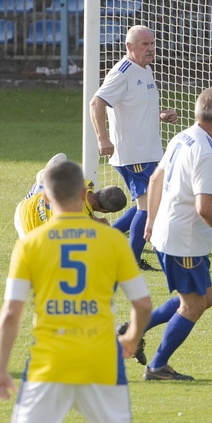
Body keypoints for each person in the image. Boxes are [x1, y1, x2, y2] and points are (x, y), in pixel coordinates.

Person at [0, 160, 152, 422]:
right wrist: (132, 337)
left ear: (46, 196)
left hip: (50, 360)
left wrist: (2, 365)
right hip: (101, 359)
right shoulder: (113, 240)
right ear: (84, 193)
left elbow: (12, 314)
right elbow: (143, 304)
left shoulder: (29, 245)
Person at [143, 86, 212, 381]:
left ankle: (135, 330)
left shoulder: (183, 136)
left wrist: (151, 222)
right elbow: (205, 208)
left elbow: (154, 179)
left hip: (171, 232)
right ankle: (157, 367)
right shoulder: (208, 153)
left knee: (206, 298)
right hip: (183, 242)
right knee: (194, 305)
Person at [90, 24, 179, 271]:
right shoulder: (123, 72)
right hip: (133, 153)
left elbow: (135, 106)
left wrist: (161, 115)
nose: (151, 49)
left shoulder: (145, 69)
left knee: (149, 201)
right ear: (129, 47)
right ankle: (131, 260)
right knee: (148, 204)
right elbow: (96, 102)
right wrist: (102, 139)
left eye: (152, 44)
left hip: (147, 151)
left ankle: (103, 240)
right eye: (144, 45)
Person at [14, 153, 128, 239]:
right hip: (27, 227)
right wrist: (97, 224)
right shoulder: (79, 221)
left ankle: (44, 178)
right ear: (104, 210)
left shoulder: (86, 184)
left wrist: (95, 220)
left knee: (57, 180)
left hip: (26, 204)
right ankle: (44, 178)